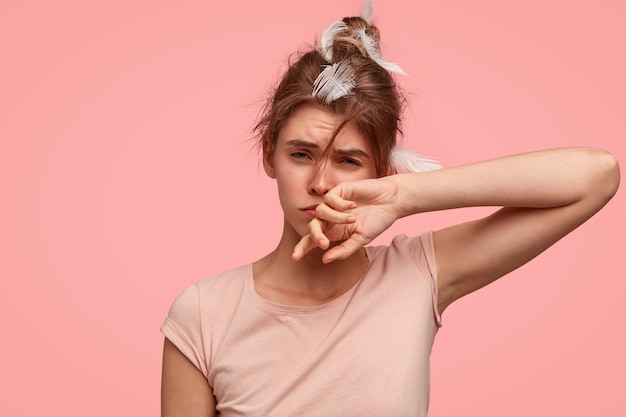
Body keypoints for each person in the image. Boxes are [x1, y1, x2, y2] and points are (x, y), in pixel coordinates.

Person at [160, 3, 620, 416]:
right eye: (301, 154)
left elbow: (595, 175)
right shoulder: (204, 313)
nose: (320, 184)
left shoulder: (418, 273)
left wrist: (404, 197)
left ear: (381, 170)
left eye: (348, 161)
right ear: (269, 156)